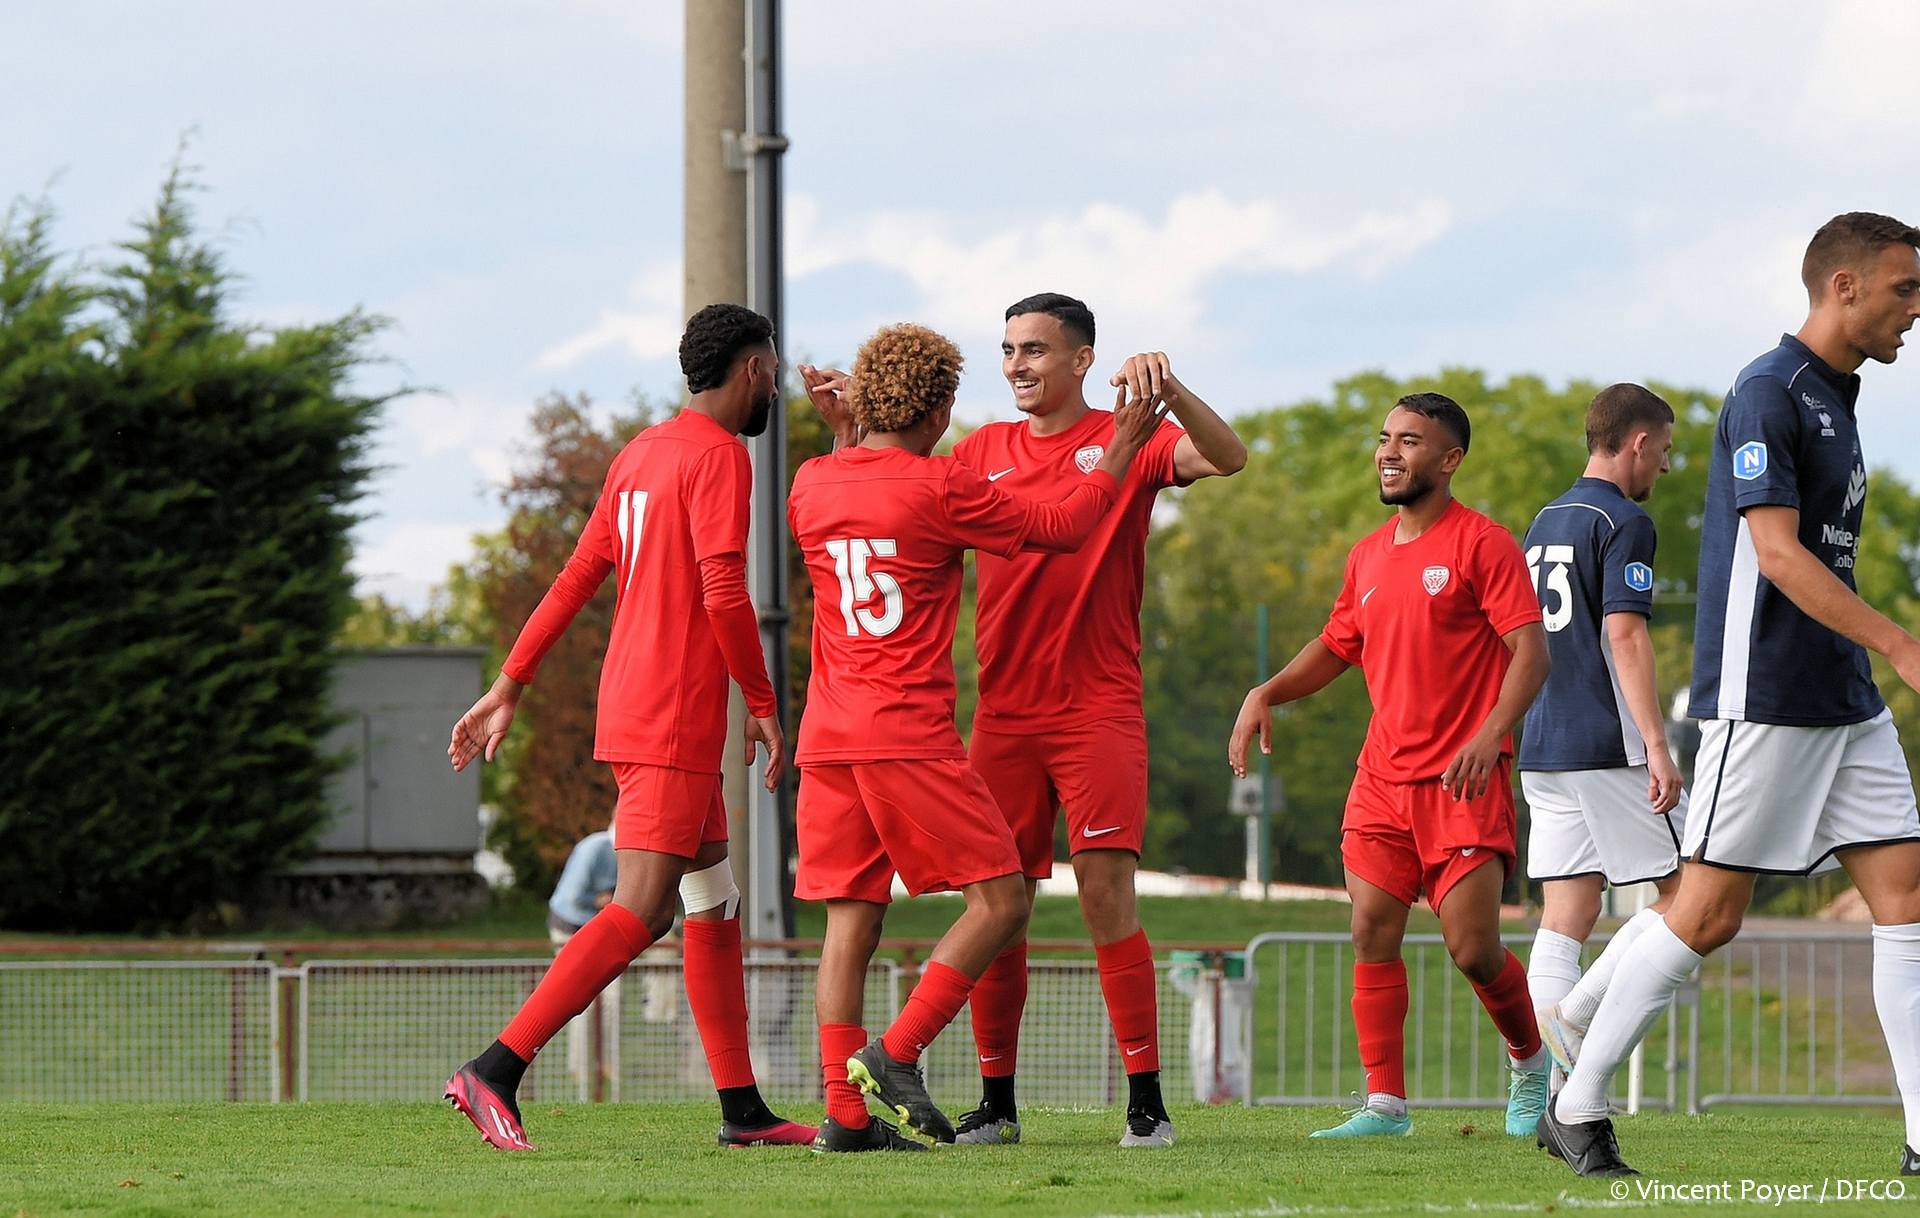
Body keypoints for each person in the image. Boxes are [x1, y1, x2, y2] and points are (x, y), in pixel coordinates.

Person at [1539, 213, 1920, 1178]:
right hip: (1768, 694)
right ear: (1842, 286)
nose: (1914, 309)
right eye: (1903, 289)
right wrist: (1901, 641)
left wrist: (1872, 658)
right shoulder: (1767, 393)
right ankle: (1576, 1107)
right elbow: (1778, 555)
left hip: (1843, 697)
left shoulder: (1838, 396)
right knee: (1705, 913)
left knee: (1907, 899)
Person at [441, 304, 813, 1151]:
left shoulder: (643, 451)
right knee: (642, 910)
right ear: (751, 369)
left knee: (712, 901)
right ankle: (495, 1067)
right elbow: (724, 590)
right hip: (675, 714)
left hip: (637, 703)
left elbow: (578, 574)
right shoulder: (721, 457)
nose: (777, 385)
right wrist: (762, 701)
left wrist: (511, 684)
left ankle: (741, 1110)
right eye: (774, 369)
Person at [790, 322, 1162, 1152]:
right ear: (942, 407)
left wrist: (848, 435)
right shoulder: (936, 488)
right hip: (905, 733)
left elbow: (863, 487)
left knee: (849, 924)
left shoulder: (811, 483)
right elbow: (1065, 526)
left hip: (827, 735)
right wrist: (1121, 448)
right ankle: (898, 1051)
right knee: (1003, 900)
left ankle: (843, 1120)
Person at [942, 292, 1247, 1148]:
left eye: (1034, 350)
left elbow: (1229, 456)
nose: (1016, 366)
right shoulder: (979, 450)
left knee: (1107, 896)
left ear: (1082, 360)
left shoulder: (1132, 438)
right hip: (1002, 714)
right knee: (1001, 908)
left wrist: (1172, 387)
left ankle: (1146, 1104)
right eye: (1007, 350)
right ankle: (997, 1105)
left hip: (1097, 709)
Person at [1228, 392, 1553, 1139]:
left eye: (1410, 440)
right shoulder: (1368, 555)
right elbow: (1338, 645)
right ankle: (1386, 1107)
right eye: (1385, 438)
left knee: (1473, 950)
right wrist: (1267, 691)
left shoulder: (1483, 543)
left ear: (1449, 460)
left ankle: (1532, 1064)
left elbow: (1532, 654)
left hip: (1462, 780)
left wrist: (1491, 733)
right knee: (1371, 930)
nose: (1390, 452)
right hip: (1382, 778)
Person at [1517, 385, 1688, 1089]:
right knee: (1692, 898)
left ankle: (1542, 1095)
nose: (1666, 469)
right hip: (1604, 741)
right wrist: (1656, 741)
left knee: (1567, 915)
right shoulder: (1623, 521)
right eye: (1666, 452)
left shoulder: (1544, 519)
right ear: (1638, 443)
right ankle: (1580, 1015)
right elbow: (1623, 633)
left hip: (1543, 741)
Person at [547, 826, 619, 1096]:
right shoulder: (594, 849)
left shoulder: (626, 851)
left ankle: (607, 1061)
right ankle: (580, 1065)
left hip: (596, 927)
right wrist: (602, 901)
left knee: (610, 999)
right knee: (578, 998)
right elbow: (574, 897)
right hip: (570, 925)